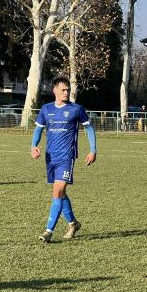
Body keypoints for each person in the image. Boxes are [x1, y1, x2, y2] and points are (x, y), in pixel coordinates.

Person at [30, 76, 97, 242]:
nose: (66, 92)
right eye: (63, 90)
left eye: (68, 89)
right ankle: (73, 223)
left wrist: (93, 150)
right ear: (55, 90)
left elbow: (89, 128)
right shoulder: (46, 109)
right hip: (50, 156)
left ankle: (48, 231)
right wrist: (33, 146)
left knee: (58, 191)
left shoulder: (76, 109)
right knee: (60, 193)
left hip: (67, 157)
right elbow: (38, 129)